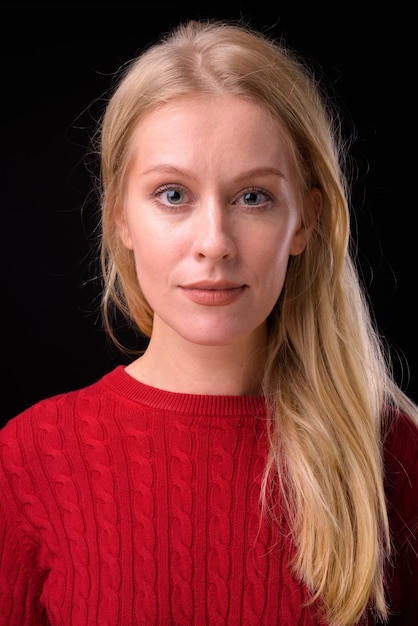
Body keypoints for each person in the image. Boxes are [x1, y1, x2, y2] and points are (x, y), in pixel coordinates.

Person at [0, 18, 417, 626]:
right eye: (173, 194)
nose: (214, 243)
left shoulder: (389, 453)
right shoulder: (28, 459)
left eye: (254, 197)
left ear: (304, 221)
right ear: (120, 215)